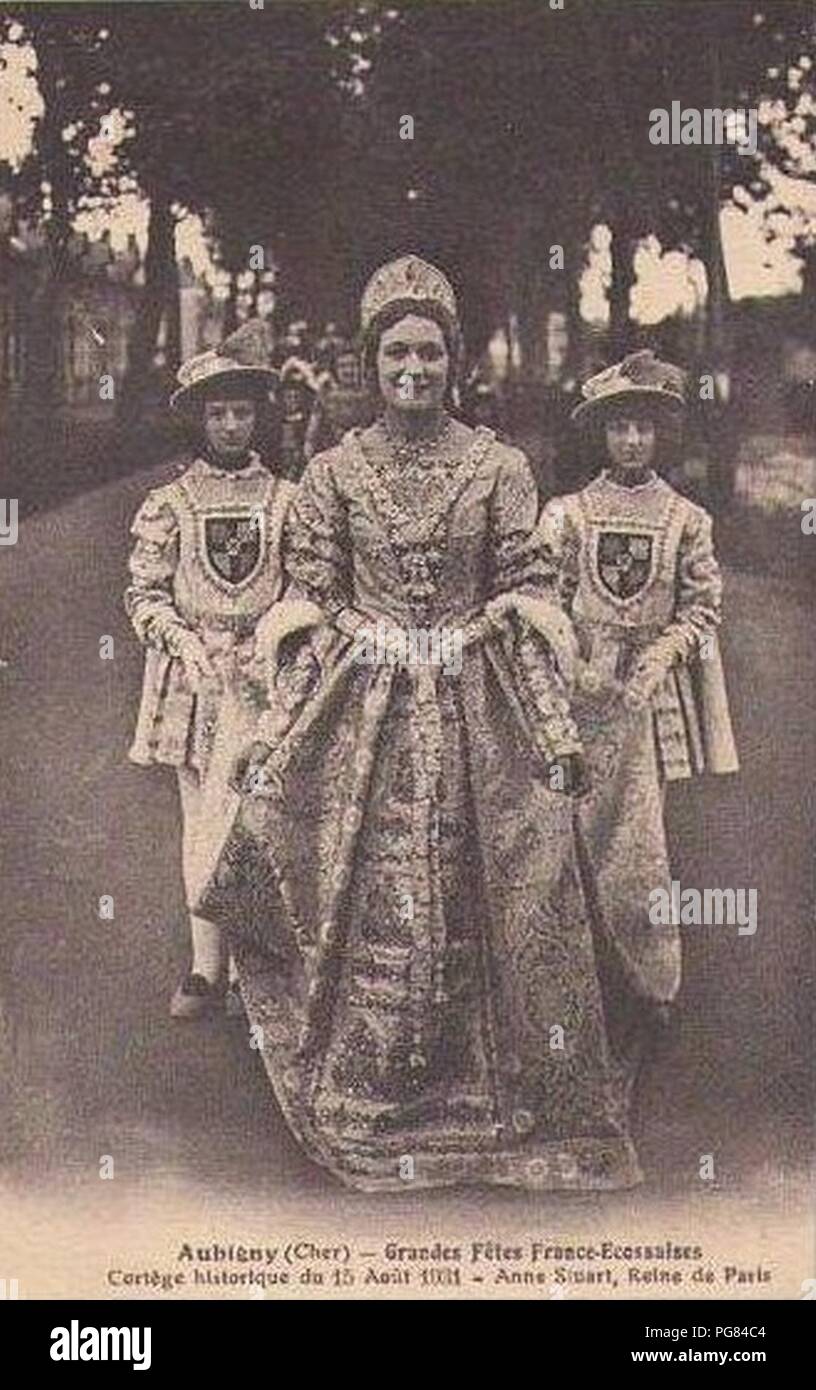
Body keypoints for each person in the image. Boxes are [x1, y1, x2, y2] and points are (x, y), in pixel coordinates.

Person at [196, 255, 656, 1194]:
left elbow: (526, 592)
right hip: (363, 704)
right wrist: (273, 730)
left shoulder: (499, 467)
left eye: (431, 352)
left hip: (476, 697)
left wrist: (557, 731)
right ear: (372, 360)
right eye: (397, 351)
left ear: (455, 361)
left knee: (503, 888)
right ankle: (379, 1095)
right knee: (359, 889)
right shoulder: (331, 472)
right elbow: (311, 603)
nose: (415, 368)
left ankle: (499, 1102)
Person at [540, 349, 739, 1052]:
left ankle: (648, 982)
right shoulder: (567, 515)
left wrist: (660, 656)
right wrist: (576, 663)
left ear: (660, 436)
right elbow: (544, 601)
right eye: (619, 429)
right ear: (601, 435)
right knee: (564, 833)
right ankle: (570, 978)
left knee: (640, 839)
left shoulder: (686, 519)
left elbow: (700, 606)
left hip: (646, 697)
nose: (631, 442)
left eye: (643, 430)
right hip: (577, 692)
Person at [124, 330, 295, 1019]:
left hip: (263, 678)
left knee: (261, 818)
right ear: (200, 420)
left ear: (259, 418)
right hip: (193, 679)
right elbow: (144, 592)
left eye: (242, 413)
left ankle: (261, 973)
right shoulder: (172, 502)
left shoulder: (286, 498)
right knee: (202, 817)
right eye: (218, 414)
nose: (230, 425)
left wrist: (275, 638)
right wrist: (180, 641)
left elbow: (303, 585)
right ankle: (205, 970)